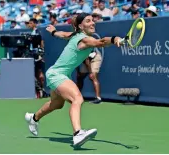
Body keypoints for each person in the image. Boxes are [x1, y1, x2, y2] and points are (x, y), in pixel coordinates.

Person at [25, 13, 123, 148]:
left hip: (59, 74)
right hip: (57, 75)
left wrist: (53, 32)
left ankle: (33, 118)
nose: (93, 23)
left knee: (56, 104)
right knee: (77, 99)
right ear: (80, 26)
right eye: (88, 21)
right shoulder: (83, 39)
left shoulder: (74, 35)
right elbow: (100, 42)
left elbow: (63, 34)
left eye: (93, 20)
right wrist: (114, 38)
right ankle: (78, 133)